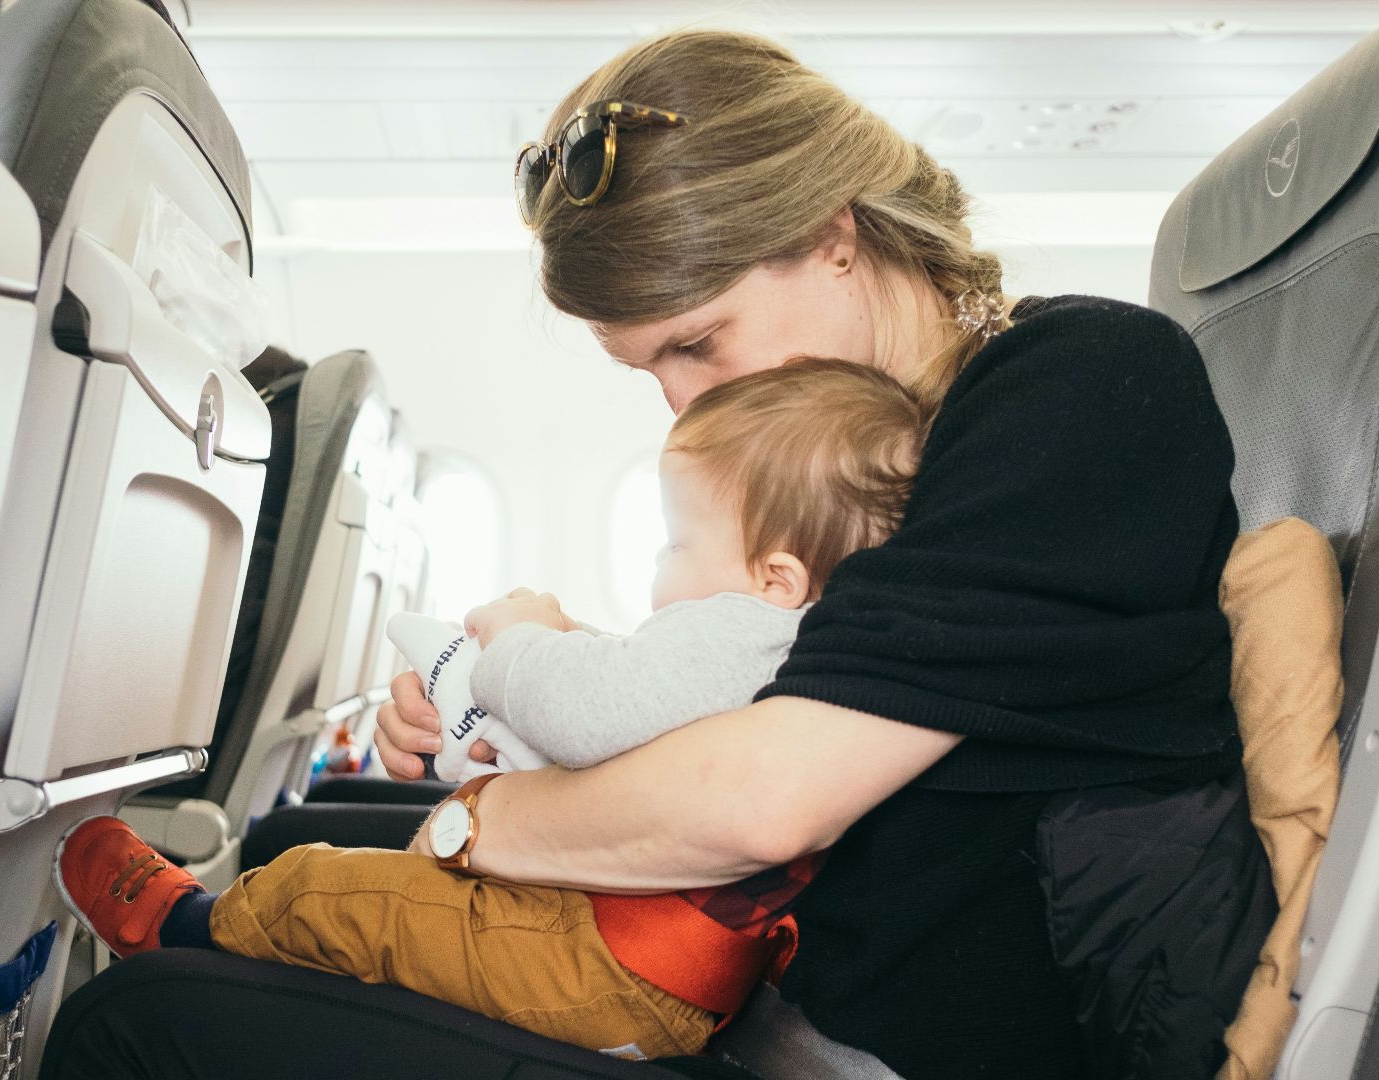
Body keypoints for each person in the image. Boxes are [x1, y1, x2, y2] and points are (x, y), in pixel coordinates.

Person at [42, 29, 1273, 1080]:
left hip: (847, 1046)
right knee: (276, 860)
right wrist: (507, 700)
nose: (683, 409)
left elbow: (762, 798)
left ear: (834, 234)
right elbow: (774, 685)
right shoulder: (844, 452)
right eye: (649, 371)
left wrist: (485, 820)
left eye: (698, 342)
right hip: (739, 1000)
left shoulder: (1079, 387)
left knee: (137, 1029)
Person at [54, 358, 927, 1061]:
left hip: (606, 961)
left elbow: (592, 711)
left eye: (676, 542)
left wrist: (518, 638)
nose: (663, 568)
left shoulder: (745, 629)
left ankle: (185, 926)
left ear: (776, 576)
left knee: (336, 889)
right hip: (649, 970)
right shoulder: (797, 640)